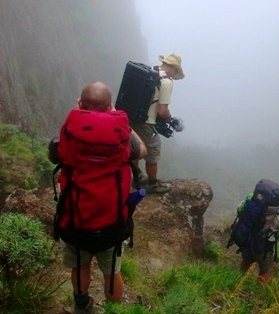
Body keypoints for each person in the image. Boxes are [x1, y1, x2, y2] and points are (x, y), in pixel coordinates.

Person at [48, 81, 147, 312]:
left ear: (80, 104)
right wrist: (121, 121)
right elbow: (142, 150)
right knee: (112, 271)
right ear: (110, 106)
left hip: (76, 219)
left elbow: (54, 153)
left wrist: (78, 115)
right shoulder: (121, 139)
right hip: (112, 222)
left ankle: (82, 306)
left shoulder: (69, 136)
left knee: (80, 265)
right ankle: (113, 310)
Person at [130, 53, 185, 194]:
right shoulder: (166, 82)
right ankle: (153, 185)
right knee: (153, 151)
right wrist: (171, 121)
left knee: (135, 148)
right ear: (173, 68)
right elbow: (162, 110)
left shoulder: (151, 71)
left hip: (131, 117)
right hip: (146, 122)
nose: (174, 75)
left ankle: (137, 178)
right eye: (176, 71)